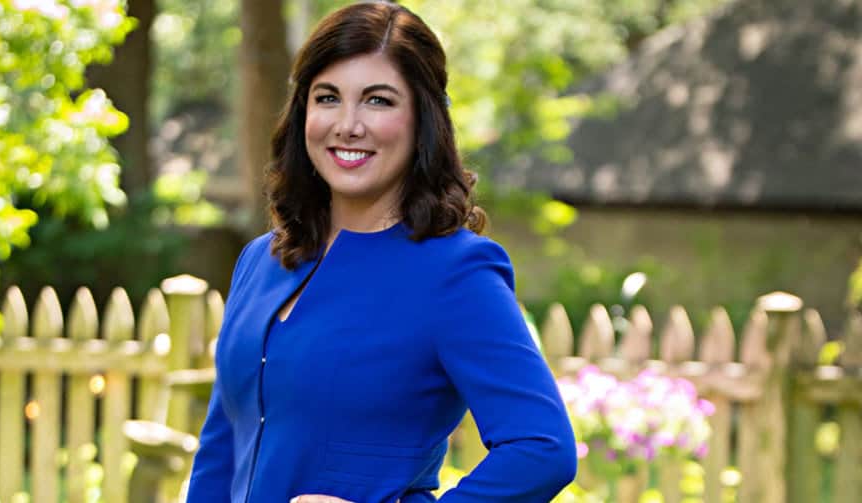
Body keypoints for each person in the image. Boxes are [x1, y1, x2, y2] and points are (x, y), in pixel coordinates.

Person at [187, 2, 577, 502]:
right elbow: (222, 447)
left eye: (378, 101)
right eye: (327, 98)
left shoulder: (454, 273)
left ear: (423, 118)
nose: (348, 124)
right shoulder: (260, 260)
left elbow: (542, 448)